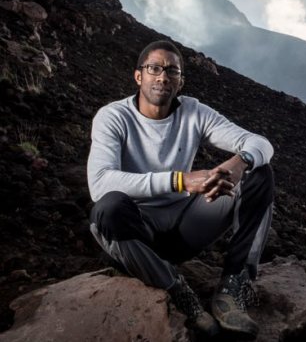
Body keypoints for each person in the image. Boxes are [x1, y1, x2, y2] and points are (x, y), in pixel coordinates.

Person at [87, 40, 274, 338]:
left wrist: (240, 162)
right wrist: (180, 180)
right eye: (154, 69)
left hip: (186, 226)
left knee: (260, 173)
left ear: (180, 81)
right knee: (107, 209)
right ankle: (177, 289)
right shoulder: (113, 117)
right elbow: (100, 183)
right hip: (138, 234)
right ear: (139, 76)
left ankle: (232, 289)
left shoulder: (193, 112)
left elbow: (261, 143)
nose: (162, 77)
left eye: (172, 71)